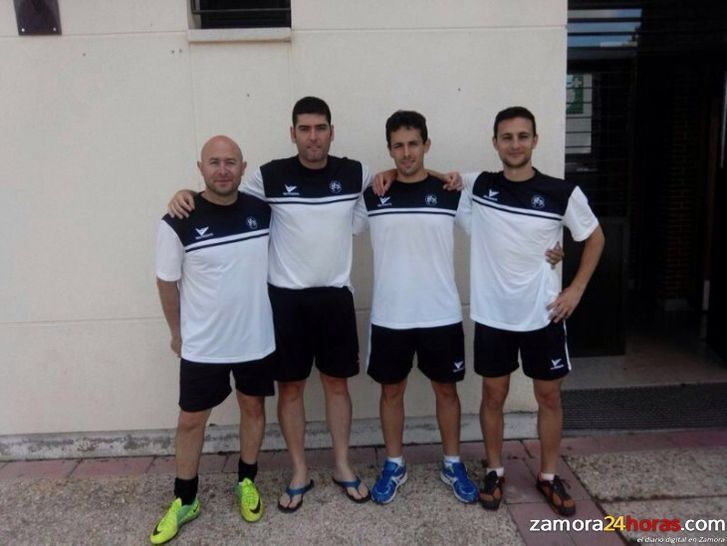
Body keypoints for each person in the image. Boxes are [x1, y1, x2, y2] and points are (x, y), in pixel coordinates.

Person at [460, 107, 605, 516]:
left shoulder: (562, 193)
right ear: (495, 143)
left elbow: (594, 239)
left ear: (535, 140)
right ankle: (494, 469)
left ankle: (547, 475)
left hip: (543, 314)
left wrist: (575, 289)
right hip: (493, 316)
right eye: (507, 137)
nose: (515, 144)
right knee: (493, 395)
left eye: (523, 136)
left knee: (549, 397)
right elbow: (436, 176)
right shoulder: (480, 186)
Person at [151, 136, 276, 544]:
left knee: (252, 407)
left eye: (231, 162)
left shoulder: (263, 209)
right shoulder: (177, 219)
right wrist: (177, 333)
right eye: (214, 162)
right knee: (190, 421)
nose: (223, 170)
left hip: (255, 337)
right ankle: (185, 499)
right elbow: (167, 282)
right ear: (200, 167)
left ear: (244, 167)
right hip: (204, 345)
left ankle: (246, 481)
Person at [354, 111, 478, 505]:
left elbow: (494, 227)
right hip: (390, 316)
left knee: (447, 391)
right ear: (389, 149)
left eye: (413, 144)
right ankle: (394, 463)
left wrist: (547, 251)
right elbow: (336, 225)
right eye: (398, 146)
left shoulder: (451, 191)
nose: (406, 153)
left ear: (426, 144)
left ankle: (452, 463)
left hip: (441, 314)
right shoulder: (374, 193)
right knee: (391, 392)